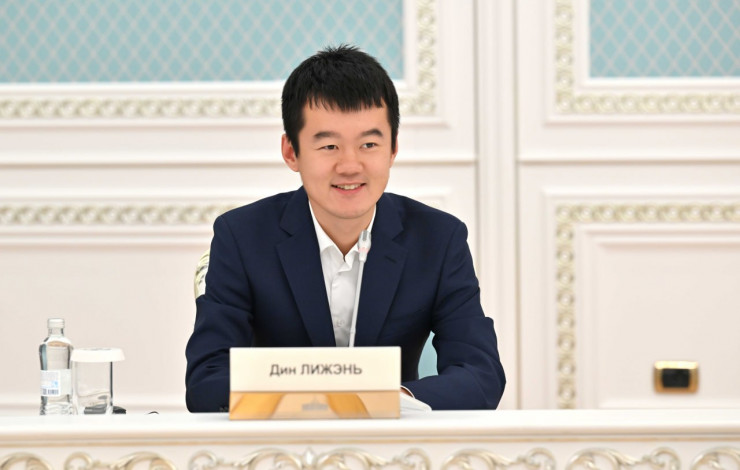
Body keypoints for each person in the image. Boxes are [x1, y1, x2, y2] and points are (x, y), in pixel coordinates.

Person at [185, 45, 505, 412]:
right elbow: (207, 382)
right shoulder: (242, 237)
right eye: (329, 146)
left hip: (393, 439)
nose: (350, 165)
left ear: (393, 149)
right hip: (279, 439)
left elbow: (481, 375)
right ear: (291, 152)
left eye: (369, 144)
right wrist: (324, 402)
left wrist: (388, 401)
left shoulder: (439, 238)